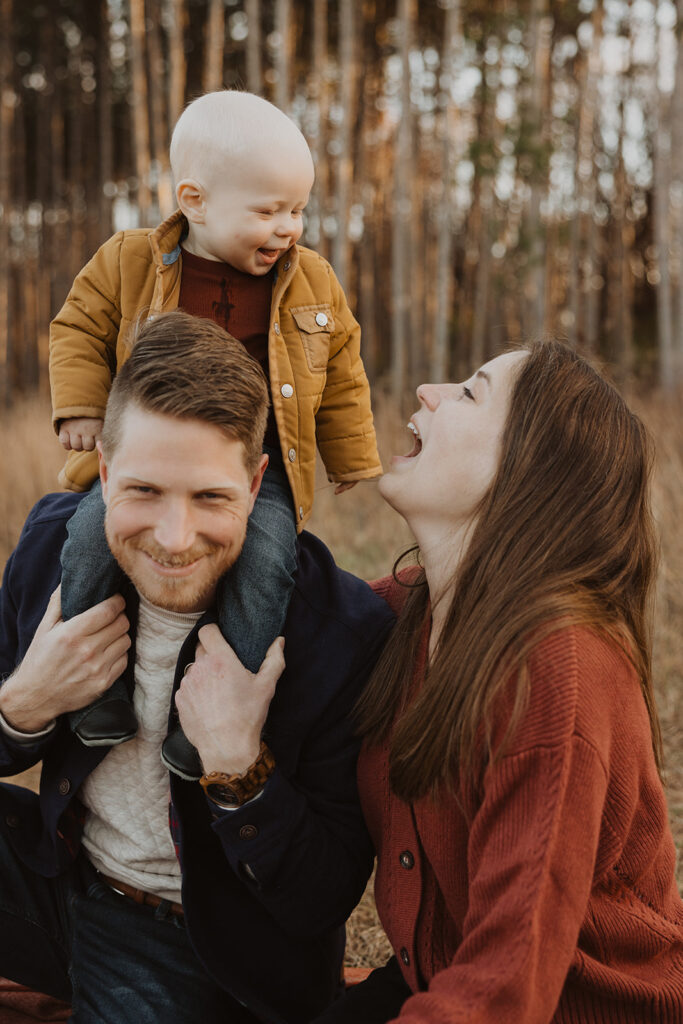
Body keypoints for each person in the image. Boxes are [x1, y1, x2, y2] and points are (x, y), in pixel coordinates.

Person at [0, 312, 394, 1024]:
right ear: (107, 472)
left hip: (206, 941)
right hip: (68, 879)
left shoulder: (341, 633)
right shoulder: (51, 552)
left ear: (255, 486)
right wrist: (22, 705)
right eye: (143, 491)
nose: (174, 539)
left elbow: (320, 896)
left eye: (210, 497)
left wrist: (238, 761)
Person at [314, 340, 683, 1023]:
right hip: (437, 983)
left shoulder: (558, 670)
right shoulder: (410, 612)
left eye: (469, 392)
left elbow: (505, 986)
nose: (428, 389)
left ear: (526, 471)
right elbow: (292, 611)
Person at [48, 90, 382, 777]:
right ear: (194, 200)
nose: (287, 227)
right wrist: (81, 410)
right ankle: (96, 693)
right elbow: (77, 328)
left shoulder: (312, 281)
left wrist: (351, 454)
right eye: (266, 211)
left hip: (256, 471)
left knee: (265, 564)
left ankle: (213, 706)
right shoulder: (128, 261)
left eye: (296, 210)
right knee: (84, 540)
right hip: (150, 459)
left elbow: (343, 368)